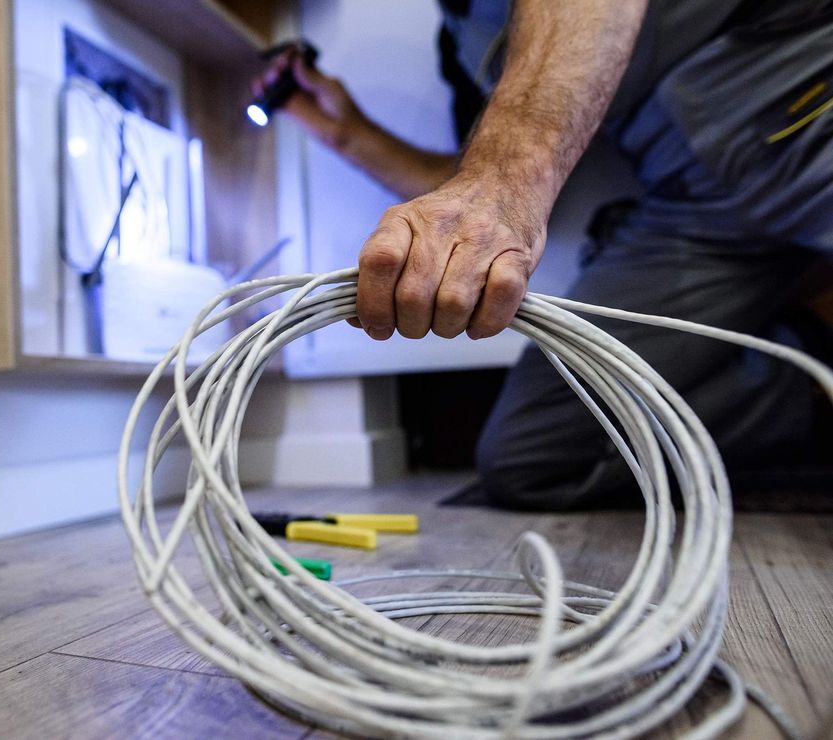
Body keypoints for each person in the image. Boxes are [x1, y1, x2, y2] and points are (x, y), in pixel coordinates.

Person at [258, 0, 833, 509]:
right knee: (529, 458)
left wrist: (506, 179)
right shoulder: (460, 40)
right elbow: (462, 184)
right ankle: (810, 376)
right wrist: (344, 132)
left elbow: (500, 175)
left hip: (803, 97)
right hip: (695, 211)